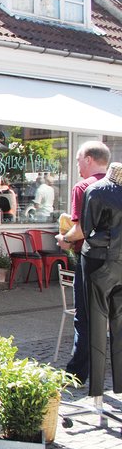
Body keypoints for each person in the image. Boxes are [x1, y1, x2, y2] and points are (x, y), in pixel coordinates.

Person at [56, 141, 110, 386]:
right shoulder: (116, 188)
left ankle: (76, 373)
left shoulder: (84, 187)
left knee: (85, 318)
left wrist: (65, 239)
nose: (77, 165)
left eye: (78, 160)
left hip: (90, 261)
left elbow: (80, 229)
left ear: (88, 159)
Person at [75, 161, 122, 397]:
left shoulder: (97, 189)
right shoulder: (100, 189)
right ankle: (119, 388)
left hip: (98, 261)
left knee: (95, 324)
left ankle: (96, 392)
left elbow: (87, 228)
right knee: (119, 327)